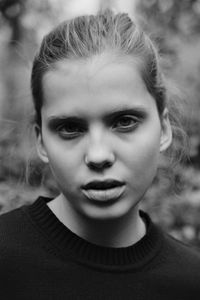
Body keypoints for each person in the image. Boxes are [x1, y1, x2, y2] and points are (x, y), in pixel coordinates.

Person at [0, 9, 200, 299]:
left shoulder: (191, 281)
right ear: (41, 141)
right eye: (70, 128)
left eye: (125, 122)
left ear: (164, 128)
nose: (97, 155)